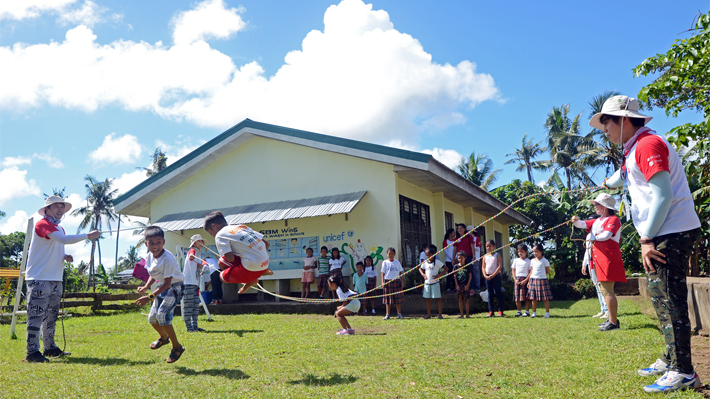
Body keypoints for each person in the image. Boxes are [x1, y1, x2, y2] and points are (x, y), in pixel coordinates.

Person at [591, 95, 702, 392]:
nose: (605, 130)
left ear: (624, 120)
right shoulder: (633, 150)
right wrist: (606, 184)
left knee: (670, 297)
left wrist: (645, 238)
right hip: (661, 233)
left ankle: (684, 371)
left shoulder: (648, 145)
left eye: (607, 123)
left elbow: (663, 195)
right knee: (659, 295)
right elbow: (621, 177)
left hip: (670, 232)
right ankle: (670, 359)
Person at [24, 196, 100, 362]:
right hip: (39, 278)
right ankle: (32, 352)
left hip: (55, 278)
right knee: (36, 316)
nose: (60, 209)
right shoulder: (42, 224)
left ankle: (49, 347)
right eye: (56, 206)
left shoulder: (59, 228)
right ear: (47, 209)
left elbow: (56, 245)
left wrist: (64, 256)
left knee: (51, 316)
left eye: (62, 207)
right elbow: (64, 240)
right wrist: (88, 235)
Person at [571, 193, 625, 331]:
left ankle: (613, 322)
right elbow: (581, 224)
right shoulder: (597, 221)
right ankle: (611, 320)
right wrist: (576, 221)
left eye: (597, 204)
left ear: (605, 206)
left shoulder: (613, 219)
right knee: (604, 290)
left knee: (607, 290)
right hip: (599, 259)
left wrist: (592, 238)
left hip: (608, 258)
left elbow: (607, 235)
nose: (594, 207)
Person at [134, 226, 186, 364]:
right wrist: (145, 287)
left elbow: (167, 283)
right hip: (162, 287)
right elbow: (153, 274)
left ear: (163, 242)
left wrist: (149, 296)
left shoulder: (167, 258)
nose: (155, 245)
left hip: (174, 287)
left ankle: (177, 347)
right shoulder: (149, 256)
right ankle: (164, 338)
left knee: (162, 315)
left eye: (158, 242)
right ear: (146, 244)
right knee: (152, 318)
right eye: (151, 242)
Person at [203, 211, 274, 294]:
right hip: (265, 263)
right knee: (223, 262)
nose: (214, 236)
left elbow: (230, 258)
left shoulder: (220, 235)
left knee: (222, 274)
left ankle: (251, 279)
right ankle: (259, 273)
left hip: (251, 266)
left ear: (213, 226)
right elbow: (266, 244)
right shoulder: (241, 227)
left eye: (212, 234)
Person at [581, 232, 608, 319]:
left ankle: (608, 310)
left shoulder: (601, 234)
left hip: (599, 261)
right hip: (590, 262)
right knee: (597, 286)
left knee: (603, 286)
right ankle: (603, 309)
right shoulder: (588, 235)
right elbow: (587, 250)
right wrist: (584, 264)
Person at [419, 245, 447, 319]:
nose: (428, 257)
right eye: (427, 255)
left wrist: (439, 275)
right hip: (427, 283)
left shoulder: (437, 262)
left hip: (435, 283)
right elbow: (420, 269)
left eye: (429, 255)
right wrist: (423, 275)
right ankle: (428, 314)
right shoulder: (425, 263)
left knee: (438, 299)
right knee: (428, 299)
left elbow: (446, 269)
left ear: (433, 254)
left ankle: (440, 315)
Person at [527, 244, 552, 318]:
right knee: (533, 298)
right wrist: (529, 281)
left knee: (545, 297)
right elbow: (531, 271)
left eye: (536, 251)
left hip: (542, 280)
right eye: (533, 251)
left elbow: (547, 271)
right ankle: (534, 313)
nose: (535, 253)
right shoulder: (532, 261)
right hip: (533, 280)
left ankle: (547, 313)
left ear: (541, 251)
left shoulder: (545, 261)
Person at [481, 240, 504, 317]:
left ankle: (500, 310)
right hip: (487, 277)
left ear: (494, 246)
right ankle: (491, 311)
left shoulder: (497, 255)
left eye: (490, 246)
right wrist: (485, 275)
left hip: (495, 276)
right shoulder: (485, 256)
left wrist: (493, 275)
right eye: (487, 246)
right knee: (490, 294)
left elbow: (499, 266)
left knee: (498, 293)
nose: (488, 248)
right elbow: (483, 267)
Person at [381, 247, 404, 320]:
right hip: (388, 282)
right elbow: (383, 273)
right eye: (389, 254)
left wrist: (402, 281)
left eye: (392, 254)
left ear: (394, 254)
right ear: (387, 254)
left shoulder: (397, 262)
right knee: (388, 300)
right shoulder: (385, 262)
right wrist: (382, 282)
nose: (391, 255)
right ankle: (387, 314)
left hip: (396, 282)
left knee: (397, 299)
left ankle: (399, 314)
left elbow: (400, 272)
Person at [454, 224, 478, 293]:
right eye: (458, 228)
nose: (459, 230)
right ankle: (459, 287)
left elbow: (472, 247)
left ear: (464, 229)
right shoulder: (456, 239)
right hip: (460, 258)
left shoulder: (469, 237)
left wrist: (474, 257)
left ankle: (471, 288)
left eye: (461, 228)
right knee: (459, 272)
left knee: (470, 272)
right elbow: (455, 249)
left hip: (469, 257)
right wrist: (453, 258)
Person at [511, 243, 532, 317]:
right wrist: (515, 279)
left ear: (526, 251)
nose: (520, 253)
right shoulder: (516, 260)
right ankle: (519, 311)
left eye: (522, 251)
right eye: (518, 251)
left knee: (526, 296)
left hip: (525, 279)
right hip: (517, 279)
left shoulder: (529, 261)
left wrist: (526, 280)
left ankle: (527, 311)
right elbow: (513, 270)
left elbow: (530, 272)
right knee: (517, 297)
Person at [453, 251, 472, 318]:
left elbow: (470, 276)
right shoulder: (456, 267)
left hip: (465, 285)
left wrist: (468, 285)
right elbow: (455, 276)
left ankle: (467, 314)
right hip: (459, 285)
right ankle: (461, 314)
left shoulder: (468, 266)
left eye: (461, 258)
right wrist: (457, 285)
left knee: (466, 299)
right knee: (460, 299)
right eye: (459, 258)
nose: (460, 259)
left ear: (465, 258)